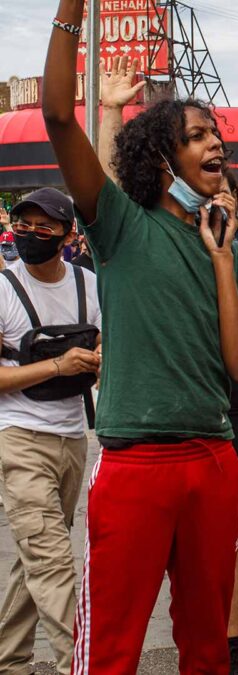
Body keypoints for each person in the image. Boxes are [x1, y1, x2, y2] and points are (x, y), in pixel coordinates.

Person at [43, 2, 238, 670]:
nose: (214, 142)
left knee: (207, 644)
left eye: (215, 132)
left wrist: (224, 261)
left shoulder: (227, 245)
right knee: (111, 643)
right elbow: (56, 114)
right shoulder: (120, 226)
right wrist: (73, 10)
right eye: (197, 135)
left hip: (215, 462)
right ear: (163, 155)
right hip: (135, 464)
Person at [0, 188, 101, 675]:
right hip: (19, 438)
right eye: (23, 226)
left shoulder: (89, 285)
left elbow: (108, 345)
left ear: (67, 234)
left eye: (45, 227)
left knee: (36, 557)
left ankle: (9, 660)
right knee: (53, 562)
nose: (31, 235)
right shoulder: (3, 288)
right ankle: (77, 664)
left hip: (72, 440)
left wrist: (101, 359)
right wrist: (58, 365)